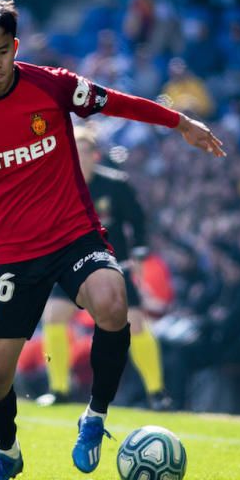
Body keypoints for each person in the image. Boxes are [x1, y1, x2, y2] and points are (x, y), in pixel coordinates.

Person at [0, 0, 224, 480]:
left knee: (113, 302)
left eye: (4, 51)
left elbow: (118, 101)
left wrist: (182, 124)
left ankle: (94, 416)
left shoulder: (52, 84)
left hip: (74, 234)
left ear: (16, 47)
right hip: (13, 253)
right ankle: (6, 453)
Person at [36, 127, 172, 411]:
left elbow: (138, 221)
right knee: (53, 318)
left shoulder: (116, 185)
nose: (76, 157)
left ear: (95, 155)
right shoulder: (57, 184)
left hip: (112, 265)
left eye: (82, 151)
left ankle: (157, 393)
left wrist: (140, 251)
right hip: (72, 265)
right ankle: (59, 389)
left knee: (135, 324)